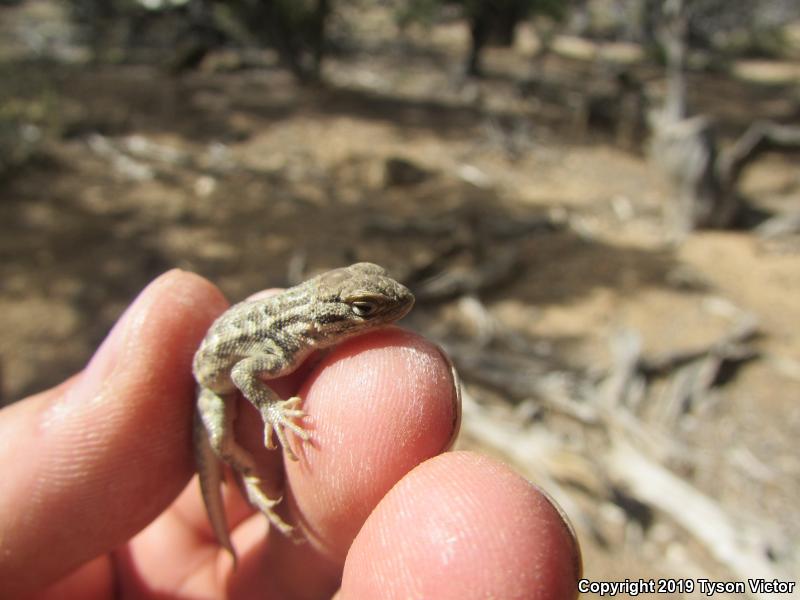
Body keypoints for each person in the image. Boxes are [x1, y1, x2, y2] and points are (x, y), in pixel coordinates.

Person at [0, 270, 580, 599]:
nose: (386, 311)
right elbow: (243, 373)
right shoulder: (284, 343)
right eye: (363, 309)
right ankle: (239, 475)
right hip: (209, 386)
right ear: (325, 319)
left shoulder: (305, 326)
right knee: (223, 442)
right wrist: (273, 413)